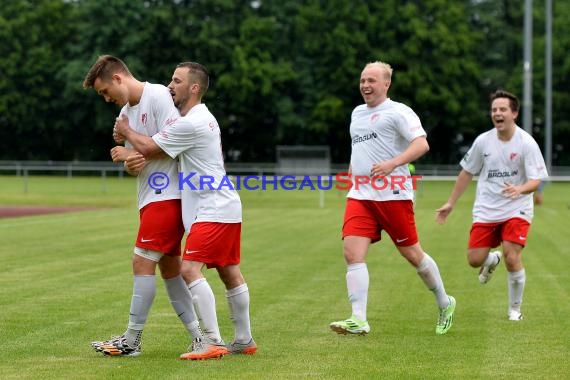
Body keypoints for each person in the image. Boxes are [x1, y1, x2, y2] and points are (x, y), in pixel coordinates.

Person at [83, 55, 222, 359]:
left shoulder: (158, 95)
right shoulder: (125, 112)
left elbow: (170, 147)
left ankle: (131, 340)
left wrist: (133, 148)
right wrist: (129, 160)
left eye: (105, 91)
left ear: (118, 78)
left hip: (167, 196)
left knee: (141, 262)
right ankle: (201, 337)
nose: (106, 99)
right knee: (170, 271)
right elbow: (140, 160)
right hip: (150, 197)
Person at [114, 61, 256, 358]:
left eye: (177, 81)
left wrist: (126, 131)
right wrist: (128, 147)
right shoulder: (201, 118)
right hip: (225, 204)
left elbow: (150, 148)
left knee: (189, 269)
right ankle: (243, 340)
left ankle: (212, 342)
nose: (170, 86)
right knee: (230, 273)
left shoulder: (188, 124)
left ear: (194, 88)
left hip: (212, 206)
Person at [329, 61, 456, 336]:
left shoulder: (399, 112)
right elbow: (359, 147)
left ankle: (445, 302)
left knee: (413, 255)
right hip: (360, 195)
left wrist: (392, 163)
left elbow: (422, 144)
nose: (365, 85)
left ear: (386, 84)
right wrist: (353, 170)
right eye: (363, 80)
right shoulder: (357, 113)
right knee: (352, 253)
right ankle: (358, 319)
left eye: (372, 80)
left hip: (393, 196)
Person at [436, 89, 548, 321]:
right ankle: (491, 260)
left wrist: (520, 189)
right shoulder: (483, 141)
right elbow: (467, 173)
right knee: (474, 260)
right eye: (494, 110)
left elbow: (537, 179)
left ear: (514, 114)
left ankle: (514, 310)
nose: (497, 113)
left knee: (511, 255)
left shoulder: (526, 142)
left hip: (517, 208)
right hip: (486, 209)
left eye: (502, 109)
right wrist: (450, 203)